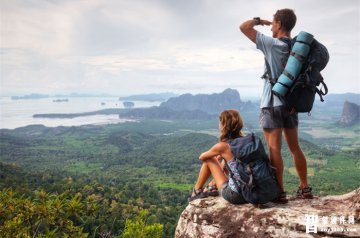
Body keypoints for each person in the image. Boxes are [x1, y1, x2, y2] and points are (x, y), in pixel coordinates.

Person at [239, 8, 313, 203]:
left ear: (279, 24)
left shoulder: (272, 44)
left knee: (274, 150)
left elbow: (244, 27)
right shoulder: (297, 49)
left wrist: (260, 21)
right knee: (295, 147)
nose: (271, 25)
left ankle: (280, 192)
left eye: (273, 22)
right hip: (291, 104)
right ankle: (305, 187)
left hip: (272, 104)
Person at [188, 109, 247, 204]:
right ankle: (211, 186)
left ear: (224, 125)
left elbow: (202, 157)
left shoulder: (223, 146)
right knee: (228, 161)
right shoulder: (246, 141)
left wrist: (217, 155)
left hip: (236, 195)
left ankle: (196, 191)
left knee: (209, 159)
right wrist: (221, 155)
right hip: (251, 190)